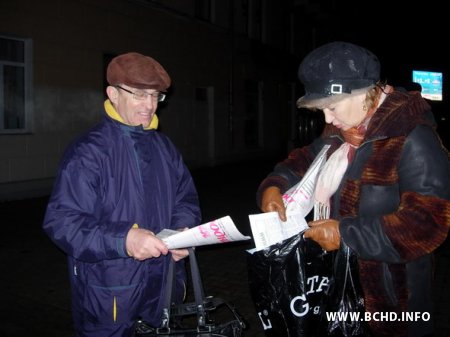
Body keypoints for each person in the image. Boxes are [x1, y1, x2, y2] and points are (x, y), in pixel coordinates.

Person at [256, 41, 450, 337]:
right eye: (322, 110)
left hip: (393, 301)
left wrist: (346, 234)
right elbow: (303, 160)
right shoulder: (343, 131)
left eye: (331, 107)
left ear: (363, 93)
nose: (328, 119)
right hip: (338, 287)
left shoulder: (412, 138)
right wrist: (274, 186)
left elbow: (427, 224)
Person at [43, 52, 201, 337]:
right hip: (111, 297)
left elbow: (185, 199)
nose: (150, 105)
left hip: (164, 290)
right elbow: (62, 221)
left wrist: (181, 232)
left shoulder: (165, 148)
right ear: (112, 94)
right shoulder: (88, 152)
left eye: (156, 96)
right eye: (139, 95)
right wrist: (124, 239)